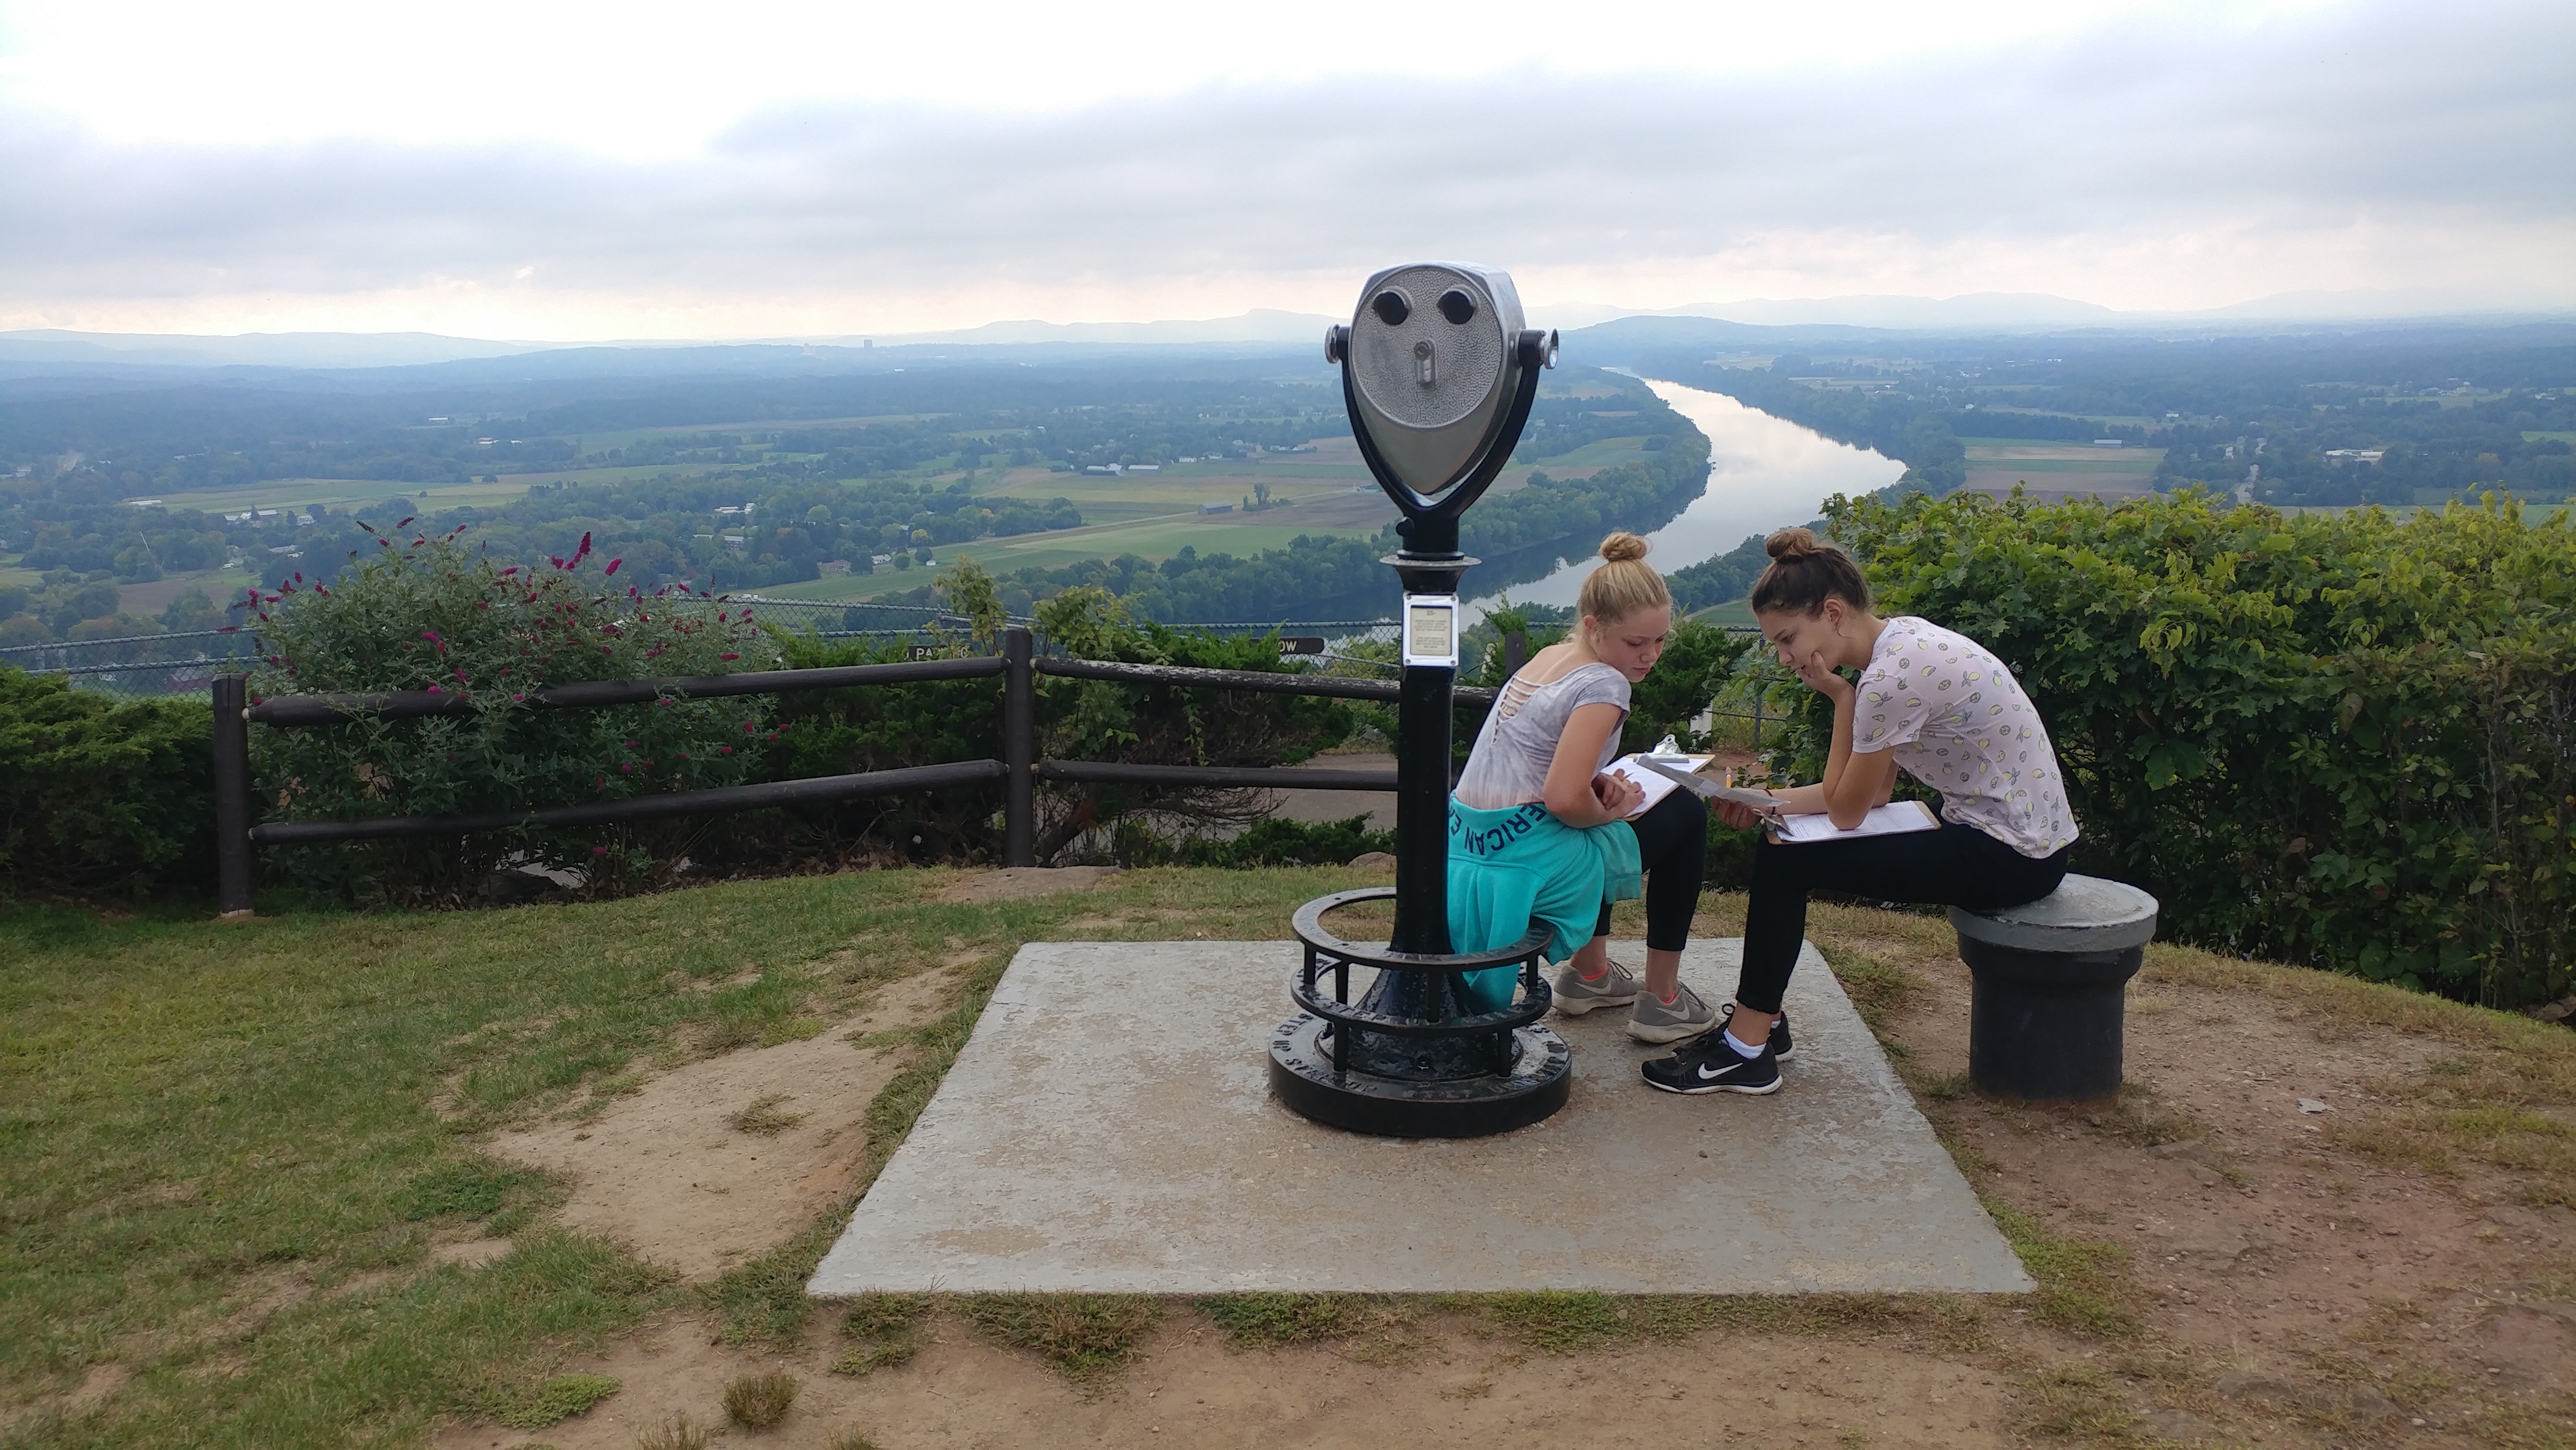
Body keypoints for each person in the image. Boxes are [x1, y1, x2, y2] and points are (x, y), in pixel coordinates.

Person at [1640, 527, 2078, 1095]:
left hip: (2013, 855)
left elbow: (1848, 811)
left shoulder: (1889, 682)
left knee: (1785, 861)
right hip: (2020, 835)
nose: (1785, 656)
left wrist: (1839, 701)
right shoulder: (1904, 642)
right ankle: (1761, 1026)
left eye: (1788, 638)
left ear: (1832, 612)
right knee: (1784, 842)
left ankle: (1746, 1049)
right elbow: (1868, 797)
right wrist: (1764, 797)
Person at [1448, 532, 1717, 1042]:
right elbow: (1564, 801)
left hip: (1469, 840)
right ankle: (1663, 999)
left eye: (1660, 641)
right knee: (1684, 814)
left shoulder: (1549, 657)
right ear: (1594, 627)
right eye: (1635, 643)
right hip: (1522, 854)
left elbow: (1529, 757)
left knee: (1604, 816)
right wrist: (1610, 810)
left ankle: (1590, 974)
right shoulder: (1604, 684)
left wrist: (1598, 790)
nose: (1650, 656)